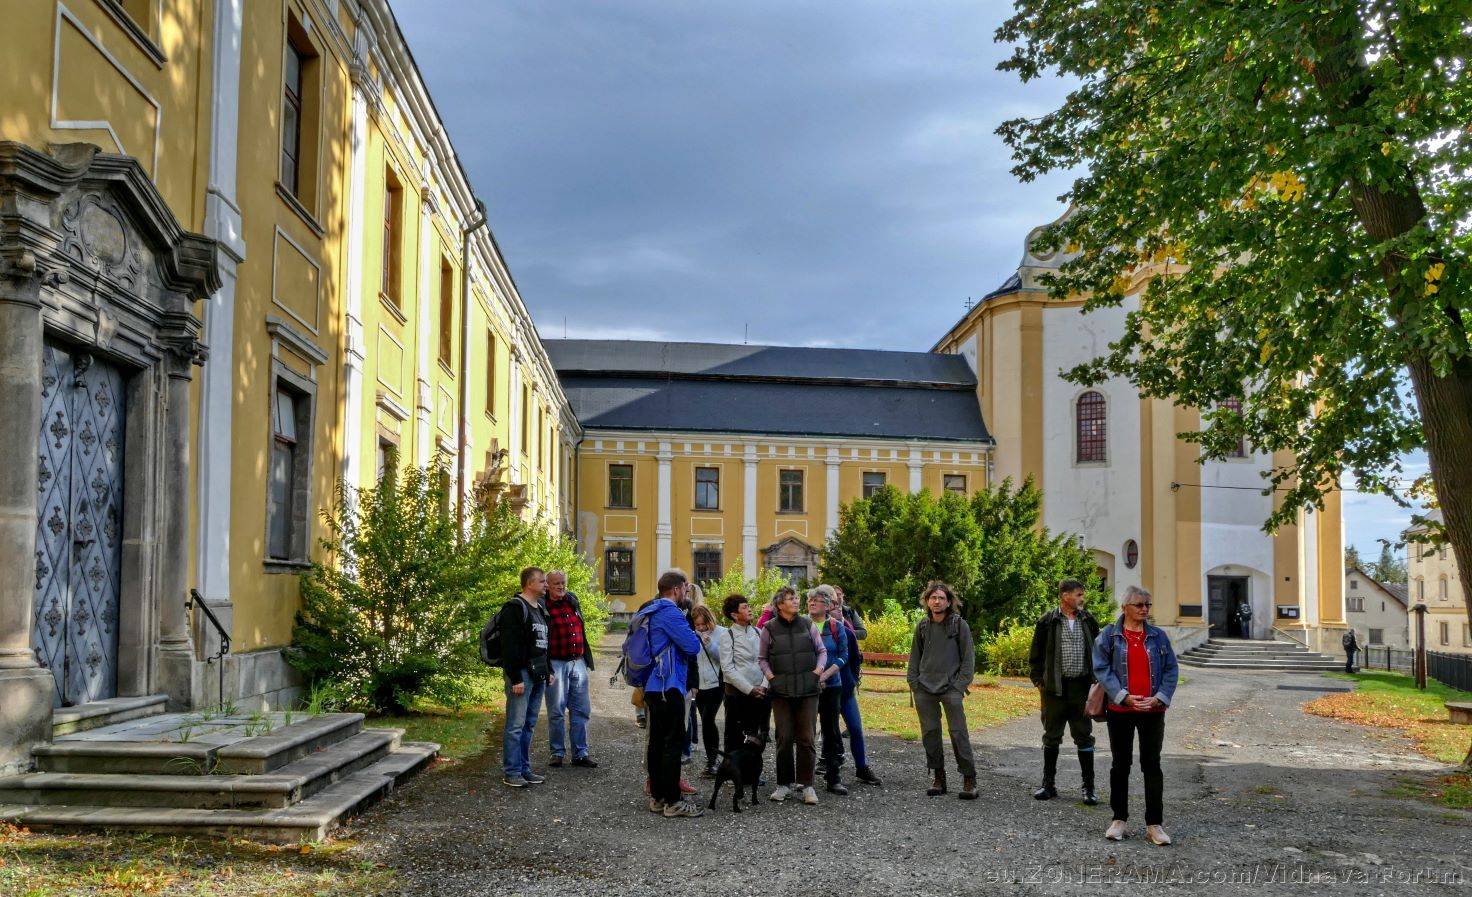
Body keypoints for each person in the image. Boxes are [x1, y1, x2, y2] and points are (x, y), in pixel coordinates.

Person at [1094, 585, 1179, 846]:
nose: (1144, 609)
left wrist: (1160, 697)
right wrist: (1123, 696)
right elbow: (1101, 668)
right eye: (1139, 605)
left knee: (1152, 765)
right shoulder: (1109, 635)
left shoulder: (1158, 636)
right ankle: (1118, 820)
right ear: (1125, 607)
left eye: (1147, 605)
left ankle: (1154, 824)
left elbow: (1171, 669)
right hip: (1121, 710)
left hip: (1153, 711)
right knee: (1120, 765)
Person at [634, 569, 705, 818]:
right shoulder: (670, 612)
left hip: (652, 686)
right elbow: (692, 646)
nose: (686, 592)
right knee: (673, 742)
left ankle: (658, 797)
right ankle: (673, 801)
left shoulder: (649, 610)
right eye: (685, 588)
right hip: (669, 685)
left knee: (656, 742)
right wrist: (691, 636)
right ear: (676, 589)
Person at [1029, 578, 1100, 804]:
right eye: (1079, 594)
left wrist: (1097, 679)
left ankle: (1088, 788)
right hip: (1054, 689)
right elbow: (1036, 653)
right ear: (1065, 596)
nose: (1082, 598)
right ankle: (1048, 785)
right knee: (1051, 736)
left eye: (1082, 595)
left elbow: (1098, 651)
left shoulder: (1088, 620)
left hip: (1081, 688)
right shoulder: (1047, 621)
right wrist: (1038, 680)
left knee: (1084, 736)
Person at [907, 581, 977, 800]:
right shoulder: (922, 626)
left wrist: (959, 687)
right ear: (927, 601)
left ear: (948, 602)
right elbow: (914, 657)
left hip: (951, 689)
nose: (937, 601)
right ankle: (939, 778)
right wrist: (914, 683)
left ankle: (969, 779)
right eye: (933, 598)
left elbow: (968, 660)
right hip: (924, 688)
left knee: (958, 733)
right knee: (930, 733)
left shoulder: (959, 625)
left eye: (941, 598)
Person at [759, 584, 827, 805]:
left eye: (797, 597)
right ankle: (783, 785)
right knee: (784, 737)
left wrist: (817, 672)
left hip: (808, 690)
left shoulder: (807, 624)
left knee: (806, 738)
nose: (796, 601)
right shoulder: (769, 628)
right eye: (791, 598)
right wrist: (771, 678)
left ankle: (807, 786)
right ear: (780, 604)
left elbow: (822, 651)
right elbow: (762, 658)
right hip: (781, 692)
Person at [500, 567, 555, 788]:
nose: (546, 585)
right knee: (516, 725)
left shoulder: (540, 608)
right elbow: (509, 646)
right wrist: (515, 678)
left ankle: (524, 769)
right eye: (542, 581)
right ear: (529, 584)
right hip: (521, 674)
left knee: (529, 724)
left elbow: (544, 644)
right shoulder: (514, 608)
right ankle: (512, 772)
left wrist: (549, 670)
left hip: (538, 673)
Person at [543, 570, 598, 769]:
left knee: (581, 710)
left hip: (578, 662)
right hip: (555, 663)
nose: (561, 586)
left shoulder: (572, 600)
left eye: (563, 583)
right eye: (556, 583)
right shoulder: (542, 605)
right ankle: (557, 753)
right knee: (556, 711)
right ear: (547, 585)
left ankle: (580, 753)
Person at [832, 587, 880, 786]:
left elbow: (855, 659)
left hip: (846, 691)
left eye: (838, 605)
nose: (837, 609)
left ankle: (862, 767)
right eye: (833, 606)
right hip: (825, 691)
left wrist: (851, 679)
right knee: (828, 731)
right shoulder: (815, 631)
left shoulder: (848, 632)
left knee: (855, 729)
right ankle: (830, 769)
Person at [807, 586, 850, 795]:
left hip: (832, 686)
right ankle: (804, 780)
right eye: (809, 601)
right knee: (806, 733)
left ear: (827, 605)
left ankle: (834, 778)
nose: (811, 603)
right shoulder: (802, 625)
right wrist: (813, 678)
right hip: (807, 687)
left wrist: (824, 676)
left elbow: (844, 655)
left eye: (815, 600)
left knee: (831, 732)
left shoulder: (836, 626)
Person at [717, 594, 769, 751]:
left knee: (757, 737)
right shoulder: (727, 636)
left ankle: (754, 766)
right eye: (745, 607)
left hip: (760, 693)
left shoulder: (759, 632)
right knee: (735, 737)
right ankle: (734, 766)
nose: (750, 610)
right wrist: (749, 689)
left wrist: (763, 685)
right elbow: (727, 668)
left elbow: (767, 661)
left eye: (749, 606)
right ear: (734, 615)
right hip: (737, 695)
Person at [690, 604, 726, 777]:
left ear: (709, 620)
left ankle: (712, 761)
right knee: (705, 721)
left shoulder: (722, 633)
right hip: (699, 686)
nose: (700, 628)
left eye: (703, 624)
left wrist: (709, 644)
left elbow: (724, 659)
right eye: (697, 625)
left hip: (716, 684)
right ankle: (712, 760)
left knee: (708, 719)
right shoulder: (692, 635)